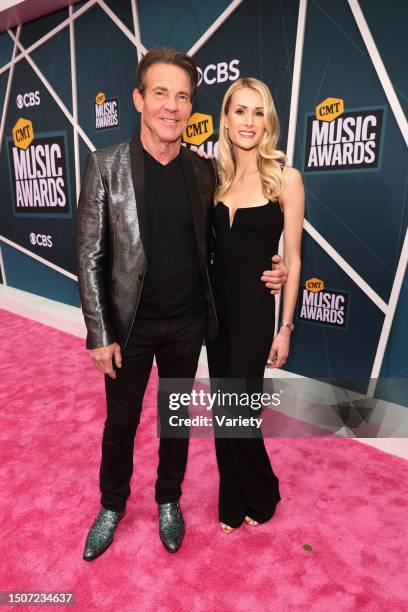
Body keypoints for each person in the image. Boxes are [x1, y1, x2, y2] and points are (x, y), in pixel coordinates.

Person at [76, 48, 288, 559]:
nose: (172, 106)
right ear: (139, 99)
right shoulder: (107, 166)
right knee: (121, 422)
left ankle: (168, 500)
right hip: (129, 329)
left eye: (183, 96)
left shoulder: (203, 171)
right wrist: (99, 333)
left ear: (192, 106)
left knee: (175, 419)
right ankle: (111, 505)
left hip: (189, 323)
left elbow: (229, 238)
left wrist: (273, 263)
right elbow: (89, 254)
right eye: (161, 93)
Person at [205, 78, 304, 533]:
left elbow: (295, 256)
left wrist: (285, 326)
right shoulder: (214, 177)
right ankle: (234, 496)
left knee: (238, 409)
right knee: (222, 407)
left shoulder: (285, 178)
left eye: (258, 112)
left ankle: (262, 491)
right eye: (240, 111)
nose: (249, 121)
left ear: (269, 121)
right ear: (225, 119)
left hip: (253, 312)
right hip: (213, 313)